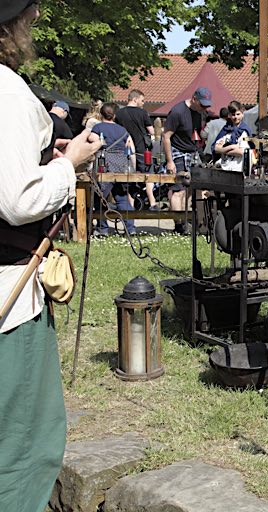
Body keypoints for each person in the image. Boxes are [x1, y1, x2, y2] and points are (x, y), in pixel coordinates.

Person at [0, 3, 101, 511]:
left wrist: (44, 156)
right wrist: (69, 168)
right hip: (6, 300)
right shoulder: (6, 92)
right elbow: (17, 200)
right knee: (24, 446)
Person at [162, 86, 210, 234]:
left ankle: (186, 221)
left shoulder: (199, 113)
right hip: (177, 152)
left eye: (206, 105)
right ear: (194, 99)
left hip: (192, 152)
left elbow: (194, 132)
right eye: (202, 104)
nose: (204, 108)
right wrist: (170, 161)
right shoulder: (178, 112)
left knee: (191, 190)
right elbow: (166, 137)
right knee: (178, 191)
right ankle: (179, 225)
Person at [91, 102, 137, 235]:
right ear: (115, 115)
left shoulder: (97, 127)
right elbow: (131, 150)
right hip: (122, 165)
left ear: (101, 114)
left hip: (103, 165)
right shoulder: (123, 130)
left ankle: (102, 229)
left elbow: (92, 143)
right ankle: (130, 228)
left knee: (101, 198)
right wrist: (132, 169)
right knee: (122, 198)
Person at [116, 89, 158, 209]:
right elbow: (151, 131)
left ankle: (130, 205)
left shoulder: (119, 113)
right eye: (142, 100)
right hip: (142, 150)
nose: (143, 103)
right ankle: (152, 202)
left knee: (130, 177)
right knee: (148, 175)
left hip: (125, 149)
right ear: (135, 99)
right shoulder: (143, 113)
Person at [213, 101, 252, 171]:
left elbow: (241, 152)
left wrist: (223, 150)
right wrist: (232, 147)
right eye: (233, 114)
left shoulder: (244, 131)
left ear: (242, 114)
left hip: (237, 169)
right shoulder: (226, 129)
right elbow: (215, 148)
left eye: (238, 114)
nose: (236, 117)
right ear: (229, 115)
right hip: (224, 167)